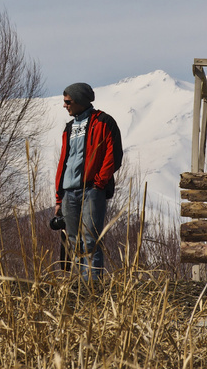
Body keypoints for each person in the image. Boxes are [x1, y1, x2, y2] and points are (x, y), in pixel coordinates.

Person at [53, 82, 122, 281]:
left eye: (68, 101)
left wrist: (99, 183)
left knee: (91, 240)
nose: (65, 105)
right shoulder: (69, 127)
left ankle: (92, 286)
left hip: (92, 190)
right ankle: (79, 286)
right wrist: (59, 198)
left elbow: (113, 155)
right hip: (68, 192)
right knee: (73, 241)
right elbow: (63, 162)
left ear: (80, 101)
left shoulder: (104, 122)